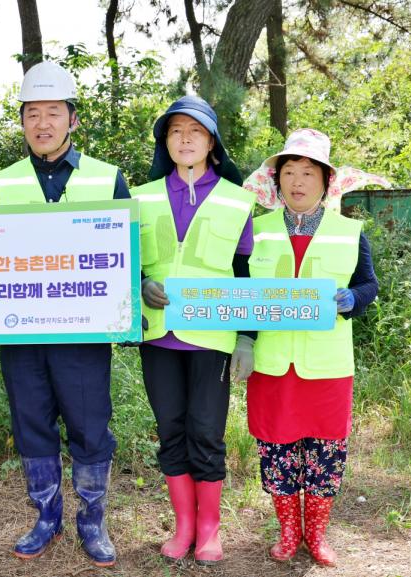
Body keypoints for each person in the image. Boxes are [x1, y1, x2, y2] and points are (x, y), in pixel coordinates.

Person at [0, 61, 129, 567]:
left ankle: (92, 519)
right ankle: (46, 516)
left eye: (53, 113)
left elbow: (126, 258)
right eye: (31, 115)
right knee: (31, 424)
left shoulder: (109, 179)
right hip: (21, 337)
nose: (42, 124)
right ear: (22, 122)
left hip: (84, 339)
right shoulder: (1, 184)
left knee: (90, 427)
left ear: (72, 118)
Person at [239, 128, 380, 566]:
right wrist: (243, 340)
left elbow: (369, 285)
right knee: (278, 451)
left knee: (324, 452)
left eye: (308, 172)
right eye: (289, 172)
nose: (297, 181)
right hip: (273, 363)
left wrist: (352, 299)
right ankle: (287, 532)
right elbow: (239, 291)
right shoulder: (256, 231)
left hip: (327, 365)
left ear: (325, 181)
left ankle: (317, 536)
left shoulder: (349, 231)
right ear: (277, 180)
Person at [131, 95, 255, 565]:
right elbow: (122, 262)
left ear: (213, 145)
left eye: (196, 131)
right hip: (157, 334)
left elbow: (245, 273)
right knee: (171, 430)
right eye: (176, 130)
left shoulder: (237, 199)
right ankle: (182, 527)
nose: (185, 138)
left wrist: (247, 337)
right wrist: (140, 282)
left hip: (213, 335)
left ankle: (209, 530)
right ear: (166, 141)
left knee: (206, 431)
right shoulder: (139, 197)